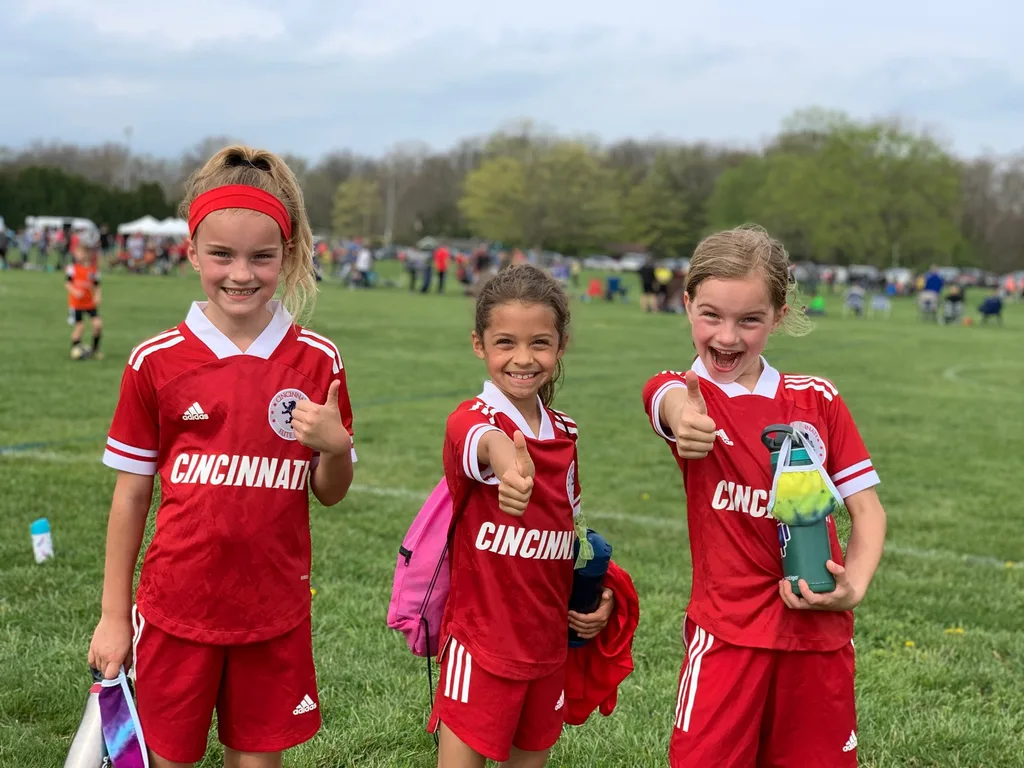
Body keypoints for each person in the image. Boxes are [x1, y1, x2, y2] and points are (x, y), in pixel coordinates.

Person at [87, 145, 356, 768]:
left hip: (274, 612)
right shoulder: (155, 362)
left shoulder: (318, 360)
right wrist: (113, 616)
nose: (241, 273)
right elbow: (131, 495)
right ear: (191, 252)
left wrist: (337, 447)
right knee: (166, 757)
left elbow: (330, 489)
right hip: (175, 610)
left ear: (287, 253)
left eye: (262, 256)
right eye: (222, 255)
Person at [641, 225, 887, 768]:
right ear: (687, 304)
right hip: (726, 636)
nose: (727, 337)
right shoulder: (687, 394)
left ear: (778, 316)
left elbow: (867, 510)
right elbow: (665, 398)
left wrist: (853, 586)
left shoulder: (816, 400)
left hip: (817, 634)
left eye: (750, 320)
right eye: (711, 315)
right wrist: (685, 422)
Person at [429, 264, 615, 768]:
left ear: (561, 346)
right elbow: (484, 443)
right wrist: (509, 468)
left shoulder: (565, 431)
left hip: (547, 641)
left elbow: (572, 535)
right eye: (505, 343)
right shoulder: (471, 419)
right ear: (479, 345)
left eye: (540, 343)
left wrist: (597, 596)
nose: (523, 358)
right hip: (481, 643)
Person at [66, 236, 104, 360]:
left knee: (98, 325)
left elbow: (97, 286)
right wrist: (75, 291)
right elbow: (67, 283)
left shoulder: (93, 270)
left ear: (88, 254)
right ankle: (75, 349)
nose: (79, 255)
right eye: (77, 253)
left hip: (89, 303)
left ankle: (95, 350)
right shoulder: (72, 268)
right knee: (80, 327)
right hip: (76, 304)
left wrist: (98, 296)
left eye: (81, 253)